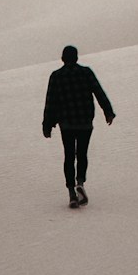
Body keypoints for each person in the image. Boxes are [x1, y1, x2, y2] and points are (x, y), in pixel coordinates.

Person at [41, 45, 115, 206]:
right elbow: (99, 92)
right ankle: (80, 182)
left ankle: (71, 193)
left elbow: (51, 102)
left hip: (66, 124)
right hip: (84, 122)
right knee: (82, 154)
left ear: (62, 58)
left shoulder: (56, 76)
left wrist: (47, 124)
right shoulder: (86, 72)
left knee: (69, 156)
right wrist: (108, 112)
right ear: (76, 58)